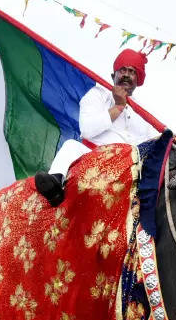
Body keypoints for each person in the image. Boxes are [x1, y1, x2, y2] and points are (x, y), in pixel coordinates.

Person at [35, 48, 159, 205]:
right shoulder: (97, 94)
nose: (127, 74)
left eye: (132, 71)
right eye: (123, 70)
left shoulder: (142, 113)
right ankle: (54, 184)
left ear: (137, 80)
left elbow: (151, 143)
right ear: (114, 75)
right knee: (71, 146)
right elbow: (87, 129)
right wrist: (118, 107)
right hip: (93, 155)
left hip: (128, 168)